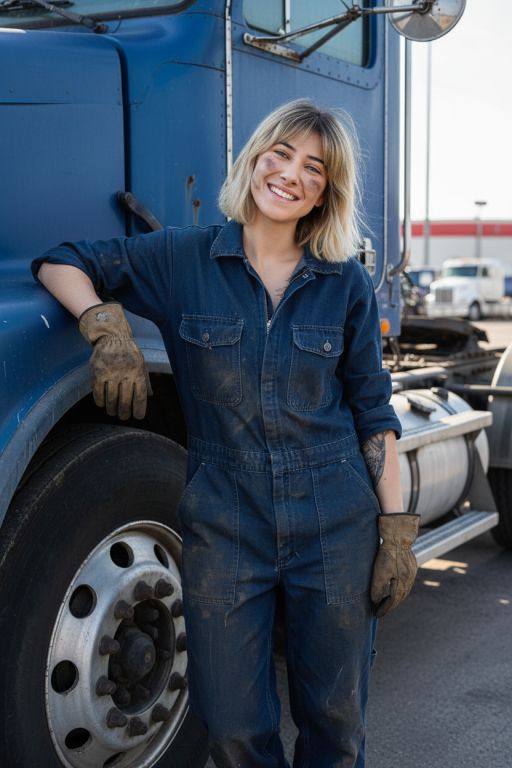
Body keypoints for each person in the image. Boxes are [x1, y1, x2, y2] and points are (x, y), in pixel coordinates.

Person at [33, 99, 419, 768]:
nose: (291, 174)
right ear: (254, 158)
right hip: (225, 519)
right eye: (281, 154)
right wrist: (105, 327)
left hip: (334, 518)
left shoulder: (346, 283)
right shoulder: (182, 258)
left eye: (314, 168)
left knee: (336, 724)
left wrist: (397, 532)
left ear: (326, 193)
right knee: (232, 726)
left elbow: (372, 413)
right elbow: (59, 262)